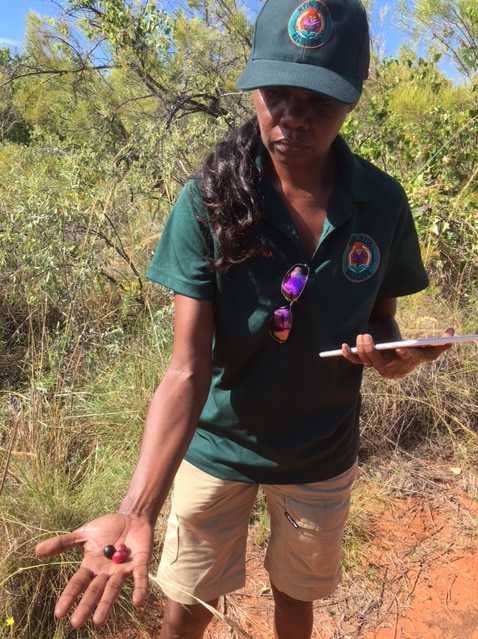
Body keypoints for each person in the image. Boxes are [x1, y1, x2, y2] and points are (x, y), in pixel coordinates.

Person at [35, 0, 454, 637]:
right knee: (187, 604)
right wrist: (138, 507)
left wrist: (396, 355)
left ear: (352, 100)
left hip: (320, 451)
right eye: (276, 93)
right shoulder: (209, 200)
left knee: (295, 596)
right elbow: (186, 368)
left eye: (319, 99)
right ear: (253, 86)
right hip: (219, 448)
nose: (292, 116)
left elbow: (384, 321)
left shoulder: (381, 203)